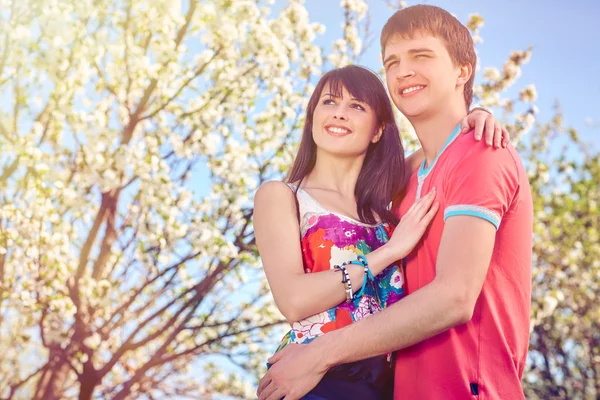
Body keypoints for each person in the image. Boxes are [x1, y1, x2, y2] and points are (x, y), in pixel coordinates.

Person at [257, 5, 533, 400]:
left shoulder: (479, 152)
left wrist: (318, 355)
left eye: (421, 55)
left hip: (466, 389)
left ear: (462, 70)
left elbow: (455, 297)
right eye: (392, 62)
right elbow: (295, 297)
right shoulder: (404, 183)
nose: (403, 71)